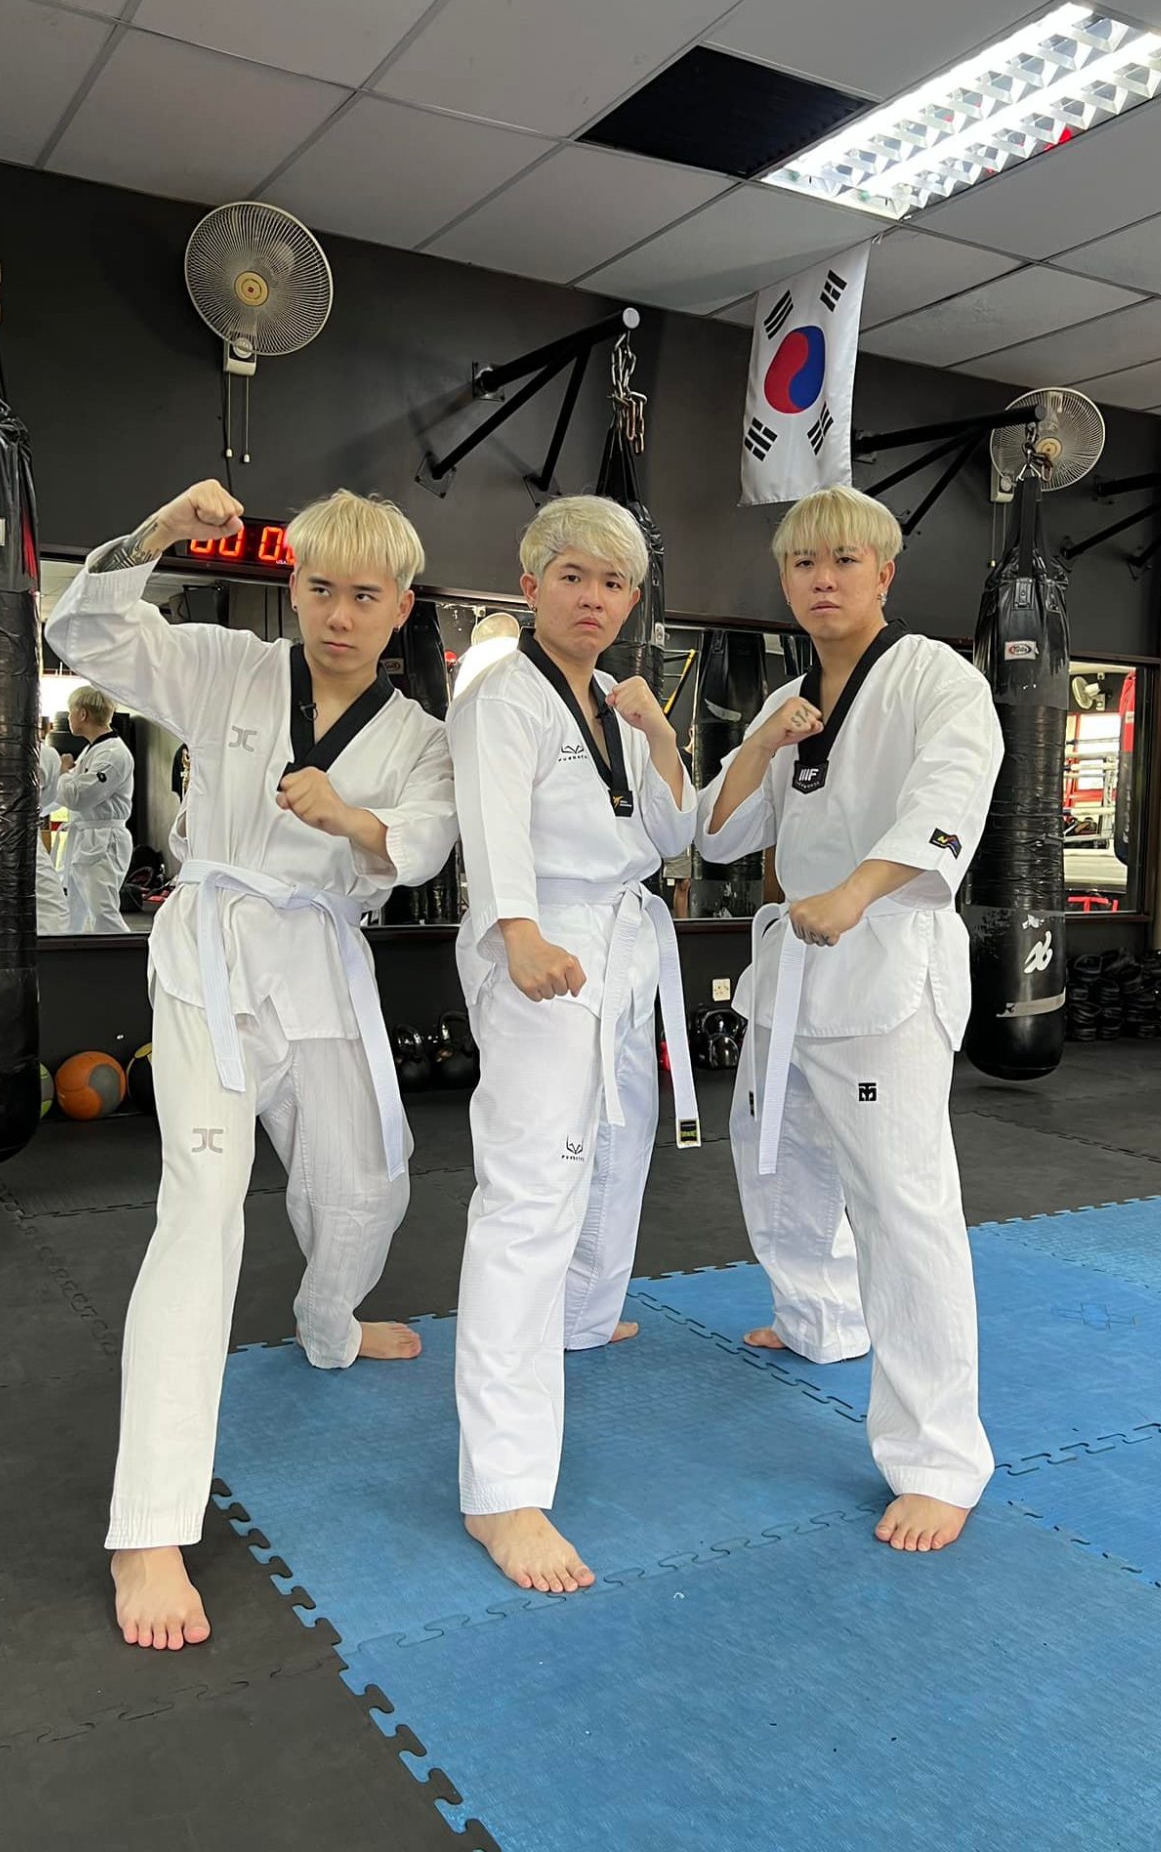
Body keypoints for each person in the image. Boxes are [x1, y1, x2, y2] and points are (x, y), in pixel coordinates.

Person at [48, 480, 457, 1651]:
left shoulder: (419, 736)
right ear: (296, 589)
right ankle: (148, 1524)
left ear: (399, 606)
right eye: (321, 588)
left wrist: (354, 822)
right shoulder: (227, 665)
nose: (340, 613)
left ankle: (330, 1320)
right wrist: (156, 535)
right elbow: (84, 631)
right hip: (211, 956)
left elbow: (428, 840)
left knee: (368, 1185)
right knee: (203, 1207)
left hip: (320, 960)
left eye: (365, 595)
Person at [697, 485, 1003, 1555]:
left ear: (884, 572)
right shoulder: (791, 697)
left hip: (882, 968)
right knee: (774, 1158)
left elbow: (949, 803)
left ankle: (939, 1459)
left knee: (902, 1207)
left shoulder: (937, 679)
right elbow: (719, 835)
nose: (822, 579)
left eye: (844, 560)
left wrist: (858, 892)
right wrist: (761, 744)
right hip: (794, 972)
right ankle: (822, 1319)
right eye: (803, 563)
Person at [449, 494, 701, 1596]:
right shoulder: (501, 694)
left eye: (613, 582)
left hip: (620, 943)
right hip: (544, 942)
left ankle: (586, 1317)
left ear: (631, 600)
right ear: (531, 583)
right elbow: (490, 821)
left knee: (616, 1147)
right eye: (572, 576)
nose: (593, 597)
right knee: (527, 1199)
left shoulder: (613, 702)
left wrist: (662, 734)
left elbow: (675, 834)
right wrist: (519, 932)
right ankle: (501, 1488)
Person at [58, 684, 135, 934]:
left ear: (83, 714)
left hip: (103, 841)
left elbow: (78, 796)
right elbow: (70, 793)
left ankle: (128, 958)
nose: (68, 716)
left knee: (103, 914)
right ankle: (70, 955)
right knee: (71, 912)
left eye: (70, 711)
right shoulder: (93, 749)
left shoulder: (113, 754)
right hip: (86, 838)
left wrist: (62, 772)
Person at [36, 728, 69, 935]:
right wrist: (62, 772)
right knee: (51, 909)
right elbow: (45, 802)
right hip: (19, 837)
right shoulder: (44, 755)